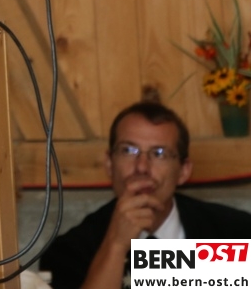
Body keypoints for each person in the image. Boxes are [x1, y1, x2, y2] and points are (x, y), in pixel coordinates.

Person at [39, 101, 251, 288]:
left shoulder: (236, 233)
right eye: (128, 151)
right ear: (110, 164)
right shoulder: (70, 251)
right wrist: (116, 245)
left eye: (159, 154)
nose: (141, 167)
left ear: (183, 171)